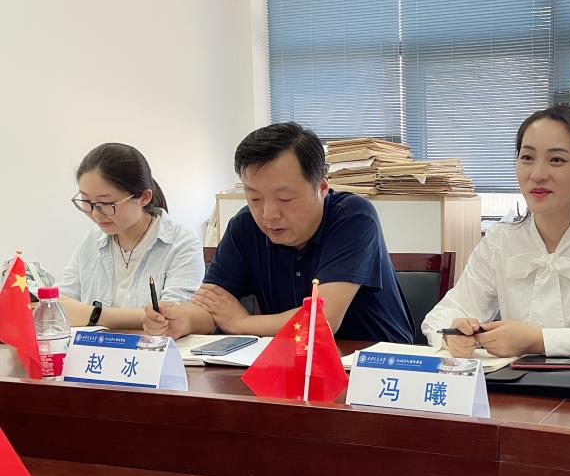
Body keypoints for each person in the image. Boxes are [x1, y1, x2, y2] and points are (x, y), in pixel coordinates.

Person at [423, 105, 570, 361]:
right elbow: (442, 316)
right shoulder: (500, 242)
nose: (537, 174)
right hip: (512, 385)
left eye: (556, 160)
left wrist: (538, 340)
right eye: (527, 158)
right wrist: (453, 334)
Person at [143, 122, 414, 344]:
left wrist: (242, 323)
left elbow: (321, 321)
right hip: (292, 362)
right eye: (255, 198)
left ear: (322, 188)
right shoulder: (244, 226)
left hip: (374, 366)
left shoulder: (353, 217)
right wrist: (182, 320)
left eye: (284, 199)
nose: (268, 214)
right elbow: (211, 304)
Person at [60, 143, 205, 329]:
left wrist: (93, 315)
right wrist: (136, 317)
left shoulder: (181, 244)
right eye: (86, 201)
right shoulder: (91, 241)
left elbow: (169, 319)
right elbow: (60, 308)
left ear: (144, 197)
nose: (95, 214)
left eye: (106, 203)